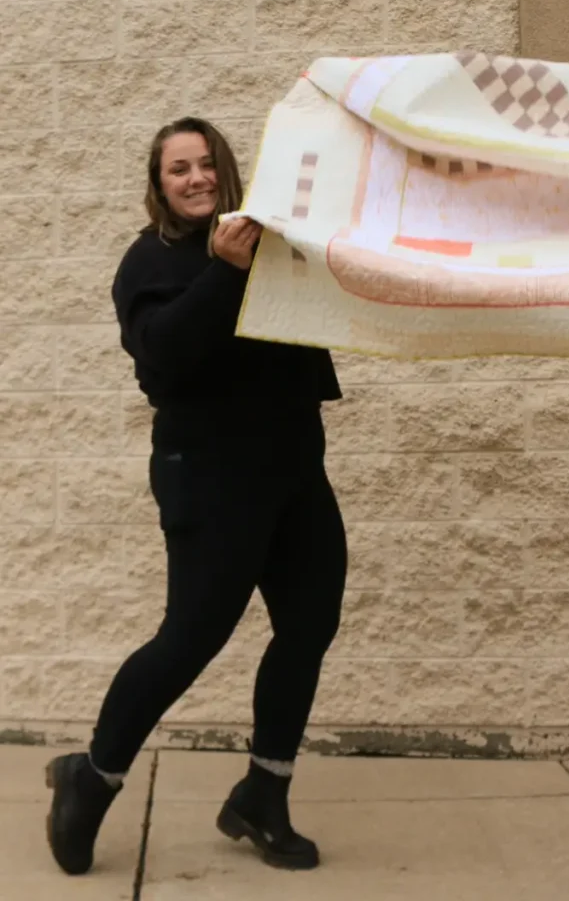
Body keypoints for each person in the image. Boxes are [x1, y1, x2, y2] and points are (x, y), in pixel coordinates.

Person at [44, 118, 348, 875]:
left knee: (309, 625)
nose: (196, 178)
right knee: (191, 637)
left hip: (292, 471)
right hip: (208, 474)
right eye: (179, 168)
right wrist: (222, 271)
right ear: (160, 182)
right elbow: (164, 358)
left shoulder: (269, 242)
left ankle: (262, 793)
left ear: (227, 170)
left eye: (207, 163)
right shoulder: (149, 261)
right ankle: (94, 775)